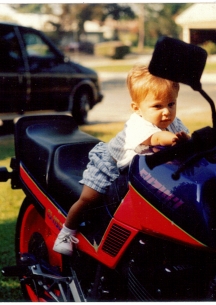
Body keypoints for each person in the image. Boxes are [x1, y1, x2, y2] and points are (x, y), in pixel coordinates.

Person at [53, 65, 190, 256]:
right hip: (109, 165)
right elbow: (158, 139)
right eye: (157, 106)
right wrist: (176, 140)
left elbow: (187, 139)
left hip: (137, 172)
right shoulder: (137, 124)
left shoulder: (174, 122)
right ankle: (66, 232)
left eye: (171, 104)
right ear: (137, 108)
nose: (166, 112)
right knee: (88, 199)